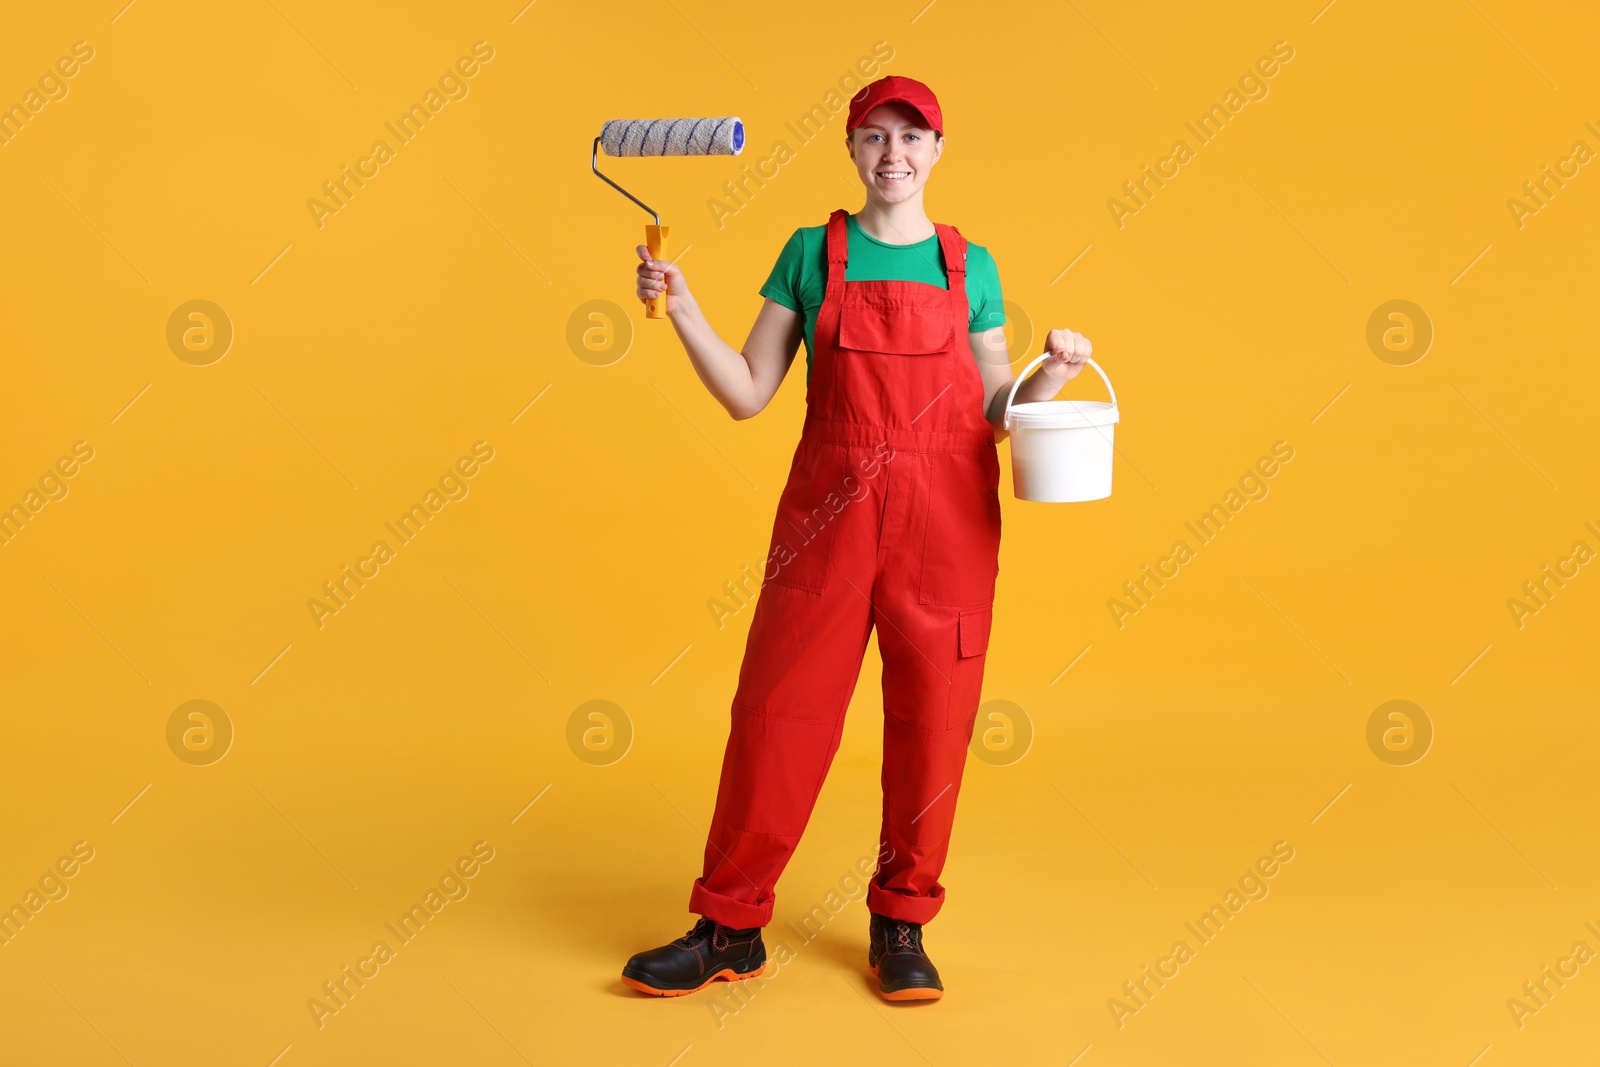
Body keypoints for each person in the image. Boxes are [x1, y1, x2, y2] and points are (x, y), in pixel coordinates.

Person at [620, 75, 1093, 1001]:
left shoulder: (971, 266)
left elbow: (997, 409)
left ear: (938, 151)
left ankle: (902, 922)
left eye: (911, 138)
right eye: (874, 136)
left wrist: (1055, 376)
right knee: (775, 716)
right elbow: (748, 391)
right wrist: (680, 305)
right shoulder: (811, 252)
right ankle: (729, 924)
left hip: (946, 522)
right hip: (826, 524)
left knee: (934, 723)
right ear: (851, 148)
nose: (893, 155)